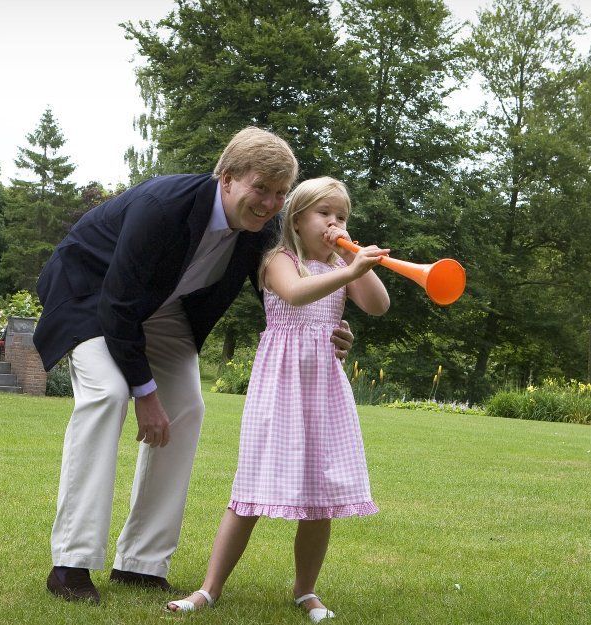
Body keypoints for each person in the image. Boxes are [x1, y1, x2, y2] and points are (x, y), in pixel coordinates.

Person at [34, 128, 356, 604]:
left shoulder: (259, 231)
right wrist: (144, 393)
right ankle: (71, 566)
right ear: (226, 179)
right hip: (92, 295)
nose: (269, 203)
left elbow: (282, 293)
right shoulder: (163, 205)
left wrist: (330, 329)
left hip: (163, 308)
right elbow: (119, 303)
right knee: (107, 394)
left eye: (280, 193)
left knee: (186, 407)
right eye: (259, 188)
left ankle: (141, 564)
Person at [164, 177, 390, 622]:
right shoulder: (278, 260)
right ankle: (210, 588)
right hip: (279, 390)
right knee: (248, 493)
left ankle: (305, 590)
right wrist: (350, 270)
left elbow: (378, 305)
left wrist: (351, 260)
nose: (334, 223)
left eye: (341, 216)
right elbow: (296, 293)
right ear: (298, 219)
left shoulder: (342, 266)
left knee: (320, 495)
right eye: (324, 214)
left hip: (324, 392)